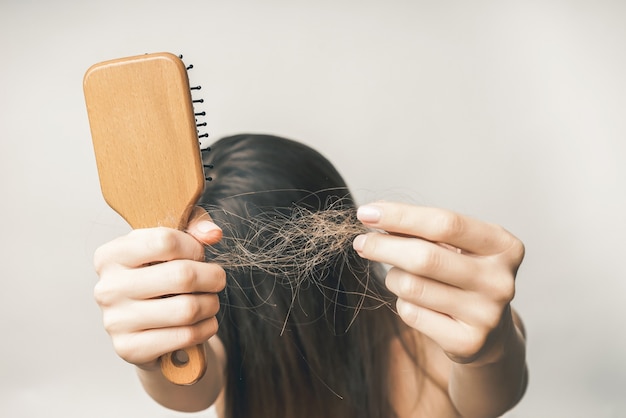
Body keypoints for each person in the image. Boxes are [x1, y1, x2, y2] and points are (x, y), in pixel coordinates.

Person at [93, 133, 528, 418]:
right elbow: (189, 391)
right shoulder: (227, 355)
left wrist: (489, 353)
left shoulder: (440, 341)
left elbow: (491, 393)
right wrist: (152, 357)